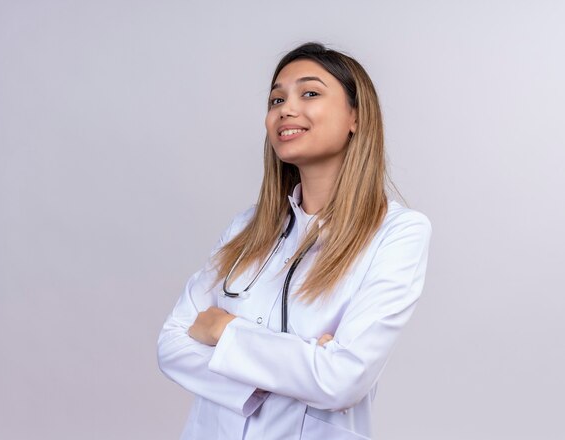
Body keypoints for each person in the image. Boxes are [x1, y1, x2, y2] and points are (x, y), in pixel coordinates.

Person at [157, 42, 432, 440]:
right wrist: (306, 363)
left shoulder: (397, 232)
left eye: (310, 93)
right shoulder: (244, 228)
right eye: (276, 98)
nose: (286, 109)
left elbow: (343, 380)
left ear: (356, 116)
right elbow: (171, 344)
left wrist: (223, 330)